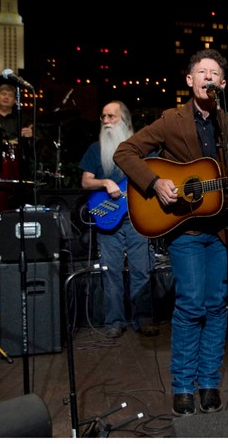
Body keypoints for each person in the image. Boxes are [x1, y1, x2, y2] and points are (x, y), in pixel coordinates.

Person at [114, 49, 228, 416]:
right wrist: (155, 182)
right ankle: (182, 385)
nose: (208, 77)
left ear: (222, 85)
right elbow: (126, 152)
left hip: (223, 230)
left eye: (215, 73)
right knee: (192, 302)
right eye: (201, 71)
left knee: (216, 305)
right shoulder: (170, 120)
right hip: (185, 228)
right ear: (190, 79)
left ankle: (209, 383)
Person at [78, 101, 158, 340]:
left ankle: (143, 319)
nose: (106, 121)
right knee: (111, 272)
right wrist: (105, 182)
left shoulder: (141, 148)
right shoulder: (96, 148)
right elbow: (85, 181)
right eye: (103, 117)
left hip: (137, 218)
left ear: (124, 120)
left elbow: (155, 177)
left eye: (111, 116)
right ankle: (114, 321)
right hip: (107, 216)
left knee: (141, 271)